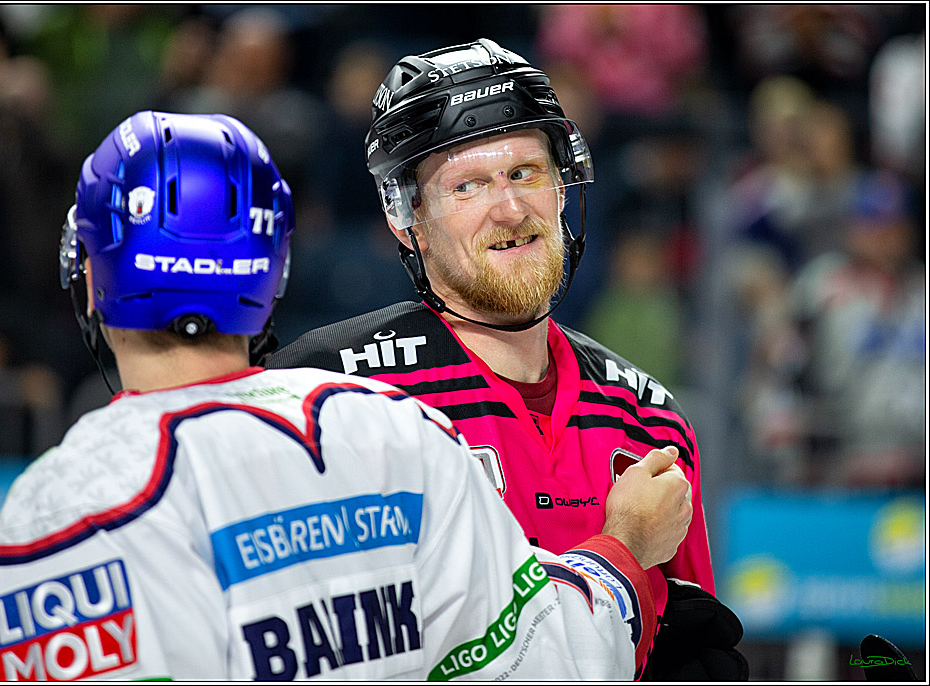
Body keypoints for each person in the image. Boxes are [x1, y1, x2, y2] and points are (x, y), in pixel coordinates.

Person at [0, 110, 699, 680]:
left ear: (91, 278)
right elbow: (544, 665)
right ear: (272, 271)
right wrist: (627, 545)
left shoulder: (58, 509)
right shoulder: (393, 430)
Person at [268, 38, 745, 678]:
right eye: (468, 185)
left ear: (563, 187)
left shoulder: (649, 420)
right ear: (407, 221)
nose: (511, 208)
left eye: (526, 173)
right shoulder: (324, 398)